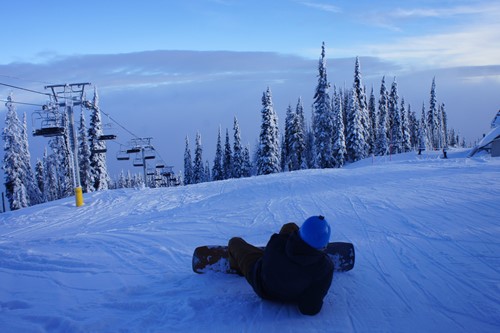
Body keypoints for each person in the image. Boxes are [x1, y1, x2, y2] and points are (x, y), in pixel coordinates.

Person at [228, 215, 334, 315]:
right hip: (289, 291)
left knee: (234, 242)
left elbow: (266, 261)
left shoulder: (278, 242)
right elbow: (309, 309)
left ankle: (236, 267)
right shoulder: (325, 267)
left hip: (261, 284)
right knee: (290, 226)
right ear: (323, 246)